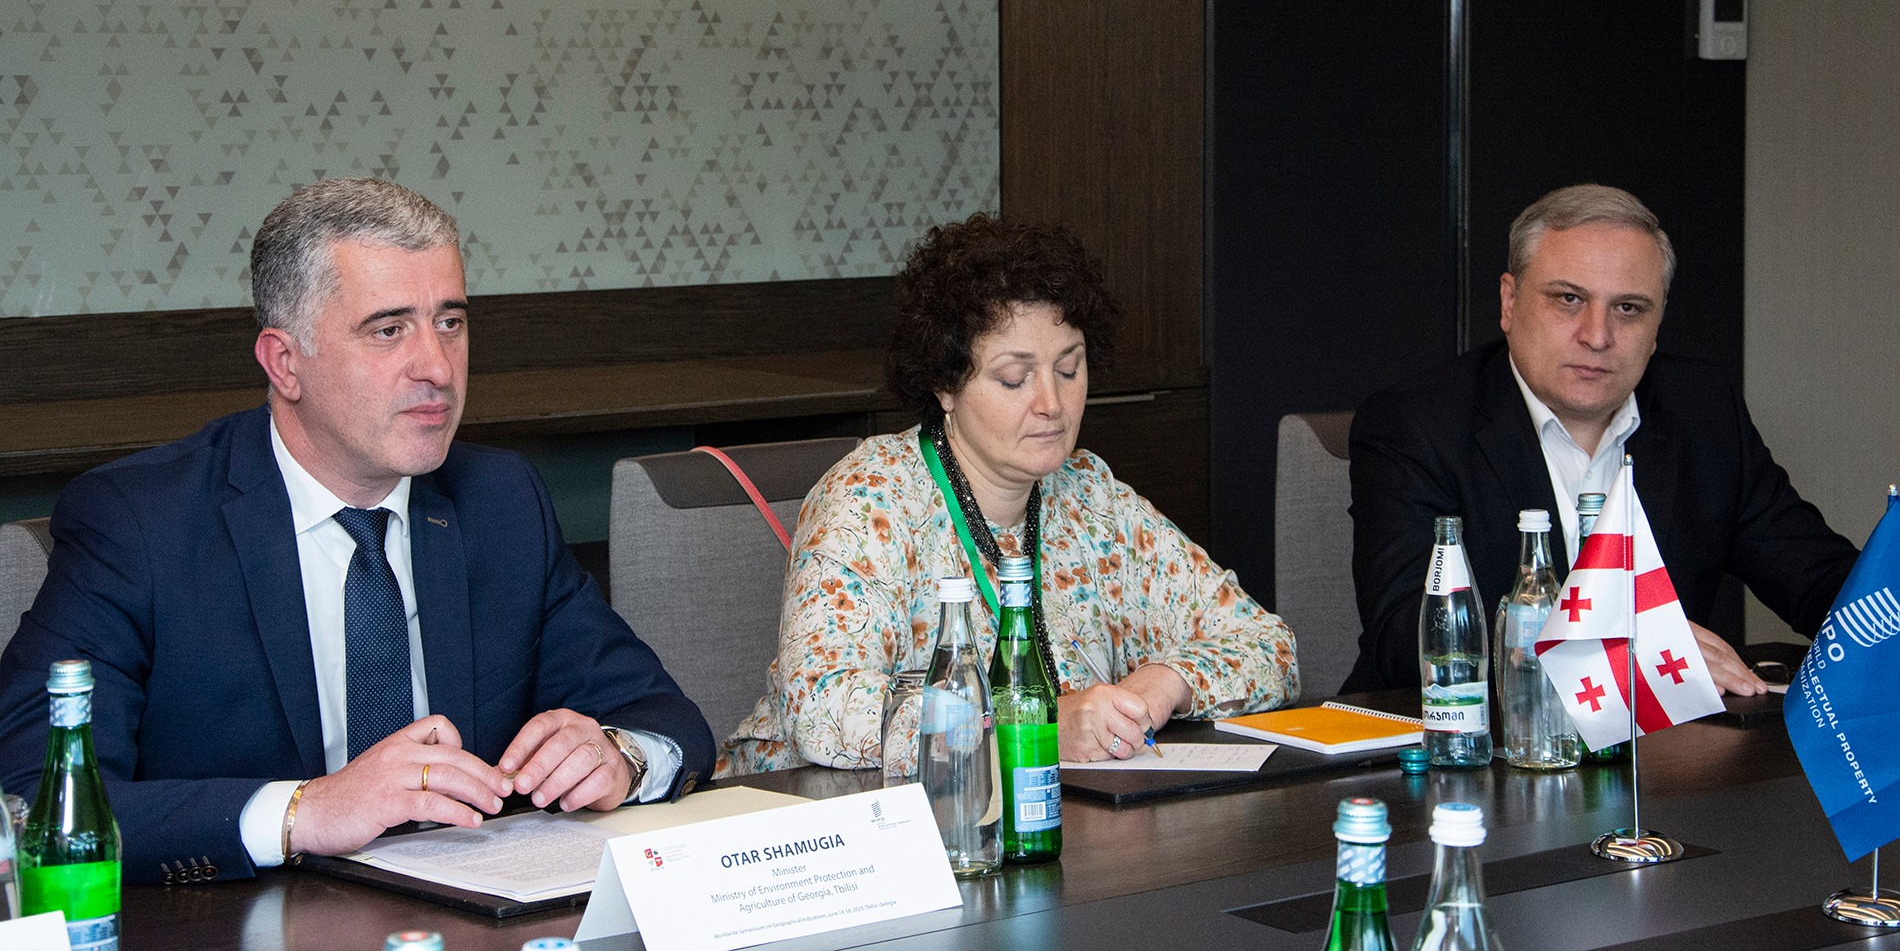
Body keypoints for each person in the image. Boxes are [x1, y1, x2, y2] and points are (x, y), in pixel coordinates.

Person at [0, 178, 714, 884]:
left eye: (450, 323)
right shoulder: (140, 523)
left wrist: (620, 756)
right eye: (388, 330)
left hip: (472, 916)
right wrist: (301, 812)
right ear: (286, 363)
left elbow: (664, 718)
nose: (437, 368)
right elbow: (34, 802)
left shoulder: (500, 502)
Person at [722, 214, 1299, 775]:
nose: (1051, 404)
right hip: (821, 813)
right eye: (1014, 379)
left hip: (1047, 811)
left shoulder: (1091, 497)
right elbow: (821, 706)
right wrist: (1033, 728)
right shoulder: (871, 499)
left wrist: (1166, 683)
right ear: (946, 385)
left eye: (1068, 370)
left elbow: (1268, 645)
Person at [1345, 183, 1857, 694]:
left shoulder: (1702, 411)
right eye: (1569, 299)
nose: (1597, 335)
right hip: (1451, 734)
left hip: (1660, 740)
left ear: (1658, 323)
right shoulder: (1416, 424)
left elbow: (1823, 582)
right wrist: (1620, 644)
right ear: (1509, 301)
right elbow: (1407, 638)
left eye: (1628, 308)